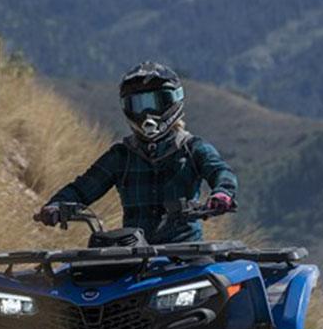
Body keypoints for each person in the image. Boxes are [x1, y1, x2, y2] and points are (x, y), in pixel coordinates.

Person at [36, 62, 237, 244]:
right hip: (133, 252)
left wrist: (222, 193)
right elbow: (82, 189)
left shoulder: (192, 148)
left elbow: (220, 171)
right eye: (138, 105)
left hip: (186, 253)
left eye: (157, 102)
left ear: (174, 101)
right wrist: (56, 205)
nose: (147, 113)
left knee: (210, 281)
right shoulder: (121, 155)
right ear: (127, 108)